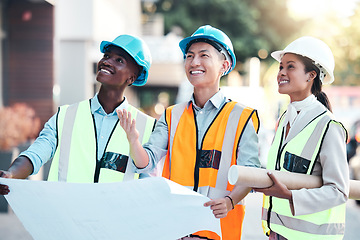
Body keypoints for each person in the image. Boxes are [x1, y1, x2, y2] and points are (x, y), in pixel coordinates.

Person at [118, 25, 260, 240]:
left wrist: (230, 201)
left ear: (225, 64)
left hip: (219, 230)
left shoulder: (242, 117)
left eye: (204, 55)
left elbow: (250, 173)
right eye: (189, 56)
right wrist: (134, 141)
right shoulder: (171, 115)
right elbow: (146, 162)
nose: (194, 62)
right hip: (177, 229)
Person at [0, 34, 156, 191]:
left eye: (119, 60)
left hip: (115, 215)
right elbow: (36, 154)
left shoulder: (147, 127)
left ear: (132, 77)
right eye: (106, 56)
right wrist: (11, 175)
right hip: (66, 213)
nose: (106, 62)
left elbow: (147, 185)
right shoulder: (65, 116)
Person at [253, 36, 349, 240]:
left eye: (290, 67)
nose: (281, 73)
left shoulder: (329, 127)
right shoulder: (285, 119)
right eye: (280, 67)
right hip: (278, 234)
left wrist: (289, 196)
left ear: (311, 75)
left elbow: (338, 191)